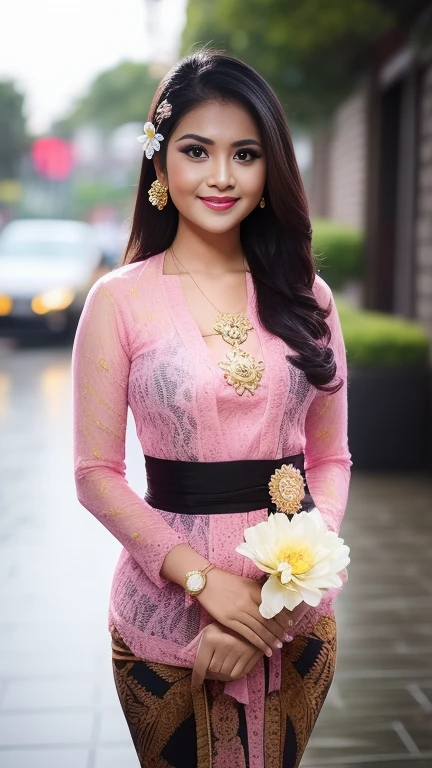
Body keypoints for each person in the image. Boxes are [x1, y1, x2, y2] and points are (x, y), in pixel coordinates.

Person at [72, 49, 352, 768]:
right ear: (160, 165)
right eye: (196, 151)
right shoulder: (119, 299)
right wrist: (200, 580)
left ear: (271, 170)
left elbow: (330, 459)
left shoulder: (307, 297)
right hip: (166, 622)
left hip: (296, 616)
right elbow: (96, 473)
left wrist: (272, 603)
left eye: (245, 154)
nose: (222, 176)